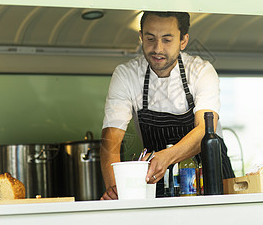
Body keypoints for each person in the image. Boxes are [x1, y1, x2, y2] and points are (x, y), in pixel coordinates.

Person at [100, 11, 235, 200]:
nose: (157, 48)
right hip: (160, 184)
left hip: (211, 179)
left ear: (183, 41)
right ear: (141, 37)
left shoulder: (201, 71)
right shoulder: (127, 75)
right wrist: (115, 188)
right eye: (150, 38)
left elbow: (205, 129)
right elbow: (111, 140)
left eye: (167, 39)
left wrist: (167, 157)